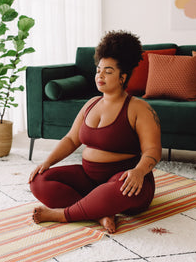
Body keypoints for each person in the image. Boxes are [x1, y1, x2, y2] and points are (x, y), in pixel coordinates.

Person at [28, 30, 161, 233]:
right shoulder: (91, 104)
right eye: (98, 70)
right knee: (39, 181)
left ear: (122, 77)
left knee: (114, 192)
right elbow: (71, 139)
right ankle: (99, 213)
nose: (100, 76)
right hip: (89, 179)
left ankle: (63, 215)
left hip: (126, 180)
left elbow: (152, 150)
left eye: (108, 71)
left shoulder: (139, 109)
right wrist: (48, 162)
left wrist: (139, 172)